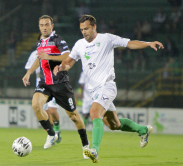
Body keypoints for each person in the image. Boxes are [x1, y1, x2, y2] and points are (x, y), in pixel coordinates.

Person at [53, 15, 164, 163]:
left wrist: (148, 43)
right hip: (94, 91)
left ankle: (94, 150)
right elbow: (69, 62)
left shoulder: (107, 39)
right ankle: (143, 130)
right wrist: (61, 67)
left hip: (107, 86)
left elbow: (129, 43)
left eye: (86, 28)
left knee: (94, 113)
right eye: (81, 29)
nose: (84, 32)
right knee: (114, 124)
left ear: (94, 27)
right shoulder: (79, 44)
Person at [22, 15, 90, 159]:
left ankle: (85, 146)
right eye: (41, 25)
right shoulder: (39, 41)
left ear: (52, 25)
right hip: (45, 83)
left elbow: (67, 55)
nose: (44, 27)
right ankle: (51, 134)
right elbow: (39, 58)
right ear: (39, 26)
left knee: (73, 116)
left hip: (60, 84)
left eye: (47, 24)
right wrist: (28, 72)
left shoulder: (58, 40)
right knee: (35, 105)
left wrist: (50, 56)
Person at [25, 49, 62, 144]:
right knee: (46, 111)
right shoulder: (34, 54)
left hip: (53, 82)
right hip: (41, 83)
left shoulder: (54, 51)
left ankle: (57, 129)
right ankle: (52, 134)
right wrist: (28, 74)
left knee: (53, 111)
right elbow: (28, 67)